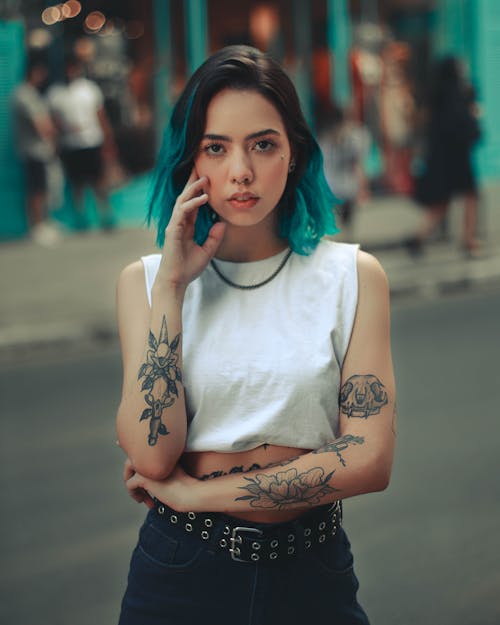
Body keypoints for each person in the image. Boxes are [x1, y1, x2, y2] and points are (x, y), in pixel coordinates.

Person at [116, 45, 396, 625]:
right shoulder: (145, 284)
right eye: (215, 147)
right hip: (181, 572)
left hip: (311, 570)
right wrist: (172, 287)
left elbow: (370, 459)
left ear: (293, 153)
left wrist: (198, 493)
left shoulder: (351, 277)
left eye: (262, 144)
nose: (240, 171)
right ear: (190, 161)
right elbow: (151, 451)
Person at [406, 56, 482, 257]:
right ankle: (468, 239)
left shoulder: (437, 96)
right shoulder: (458, 95)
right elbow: (464, 126)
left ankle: (419, 236)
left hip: (442, 158)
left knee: (444, 201)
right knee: (471, 196)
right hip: (458, 157)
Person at [47, 54, 117, 231]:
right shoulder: (56, 93)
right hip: (70, 144)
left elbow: (101, 116)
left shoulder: (89, 89)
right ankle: (81, 218)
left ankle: (105, 215)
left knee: (98, 180)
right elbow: (53, 120)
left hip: (92, 140)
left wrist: (108, 141)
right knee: (76, 182)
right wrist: (65, 129)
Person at [11, 55, 61, 246]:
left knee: (43, 187)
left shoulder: (32, 93)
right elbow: (42, 124)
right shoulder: (24, 94)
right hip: (33, 151)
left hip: (39, 151)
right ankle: (37, 226)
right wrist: (52, 134)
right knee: (37, 189)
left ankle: (45, 222)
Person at [318, 102, 370, 238]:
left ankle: (345, 243)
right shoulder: (326, 141)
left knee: (345, 221)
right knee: (340, 222)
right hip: (338, 188)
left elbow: (357, 162)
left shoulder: (353, 137)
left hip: (343, 188)